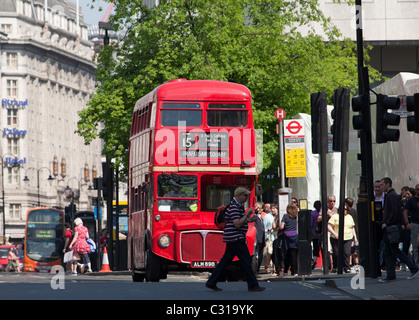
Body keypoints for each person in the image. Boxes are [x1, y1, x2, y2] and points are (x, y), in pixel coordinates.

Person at [206, 187, 265, 291]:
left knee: (224, 262)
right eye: (245, 195)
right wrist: (247, 214)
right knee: (247, 262)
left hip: (233, 238)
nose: (246, 197)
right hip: (236, 238)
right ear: (239, 195)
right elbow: (237, 224)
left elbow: (239, 221)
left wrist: (250, 219)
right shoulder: (234, 207)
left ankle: (211, 282)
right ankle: (253, 285)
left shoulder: (238, 206)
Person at [380, 177, 419, 282]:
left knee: (394, 251)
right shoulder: (391, 196)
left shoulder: (391, 196)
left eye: (382, 185)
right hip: (392, 228)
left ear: (388, 184)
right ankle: (391, 275)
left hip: (391, 228)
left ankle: (413, 268)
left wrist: (386, 223)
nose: (381, 187)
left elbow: (394, 212)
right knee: (389, 252)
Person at [327, 198, 358, 273]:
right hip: (335, 238)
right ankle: (336, 266)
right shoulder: (335, 216)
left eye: (345, 209)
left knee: (346, 253)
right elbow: (329, 226)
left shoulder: (349, 217)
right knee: (336, 253)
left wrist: (355, 237)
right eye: (343, 209)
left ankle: (346, 267)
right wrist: (334, 234)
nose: (344, 210)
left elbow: (352, 228)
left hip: (348, 238)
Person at [280, 203, 299, 276]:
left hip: (287, 237)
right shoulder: (296, 217)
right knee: (294, 255)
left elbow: (281, 227)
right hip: (295, 236)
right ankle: (295, 272)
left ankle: (285, 271)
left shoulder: (285, 216)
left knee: (287, 254)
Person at [404, 183, 419, 265]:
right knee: (416, 246)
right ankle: (416, 264)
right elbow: (405, 212)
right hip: (415, 224)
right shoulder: (411, 200)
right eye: (418, 189)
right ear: (415, 190)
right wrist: (407, 223)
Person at [254, 201, 265, 274]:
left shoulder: (261, 217)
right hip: (257, 239)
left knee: (261, 254)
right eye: (257, 208)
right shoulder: (254, 217)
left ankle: (257, 270)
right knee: (257, 255)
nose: (258, 210)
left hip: (262, 238)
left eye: (259, 208)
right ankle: (256, 270)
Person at [263, 203, 274, 274]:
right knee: (269, 253)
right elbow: (264, 227)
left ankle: (274, 268)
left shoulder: (275, 217)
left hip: (274, 236)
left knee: (273, 252)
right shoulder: (267, 217)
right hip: (270, 237)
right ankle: (267, 267)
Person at [311, 201, 322, 270]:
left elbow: (311, 224)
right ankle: (324, 265)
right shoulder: (322, 213)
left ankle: (315, 259)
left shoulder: (312, 213)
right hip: (321, 232)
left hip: (314, 233)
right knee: (323, 247)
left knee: (315, 247)